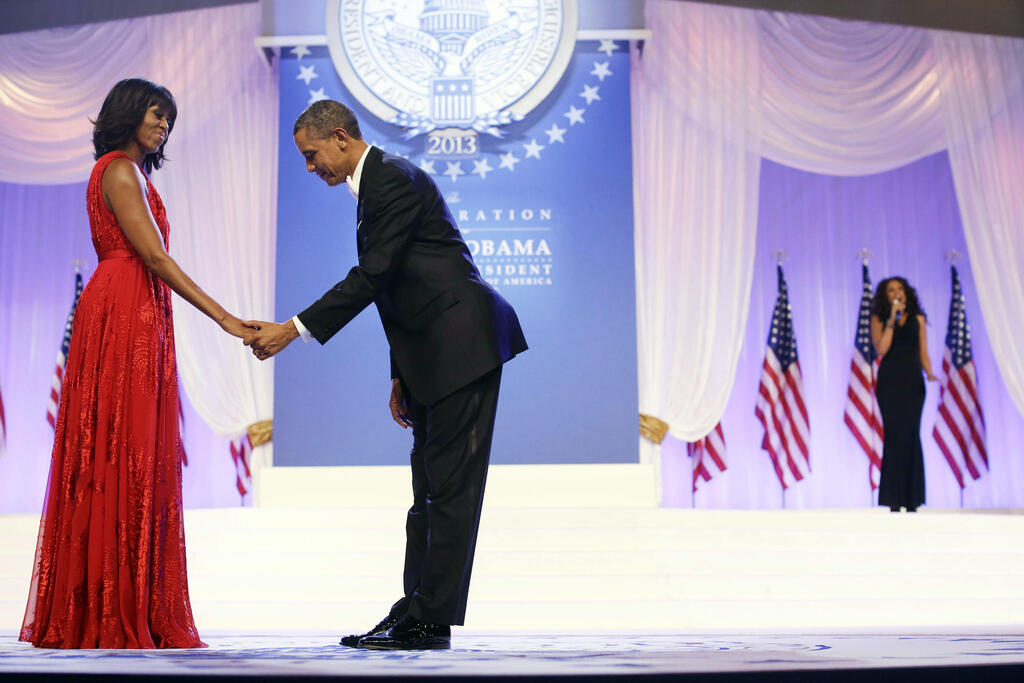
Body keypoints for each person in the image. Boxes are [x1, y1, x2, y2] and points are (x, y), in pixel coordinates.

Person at [243, 99, 527, 650]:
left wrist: (293, 328)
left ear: (342, 138)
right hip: (433, 354)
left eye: (311, 155)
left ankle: (429, 617)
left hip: (462, 347)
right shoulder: (374, 185)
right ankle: (417, 607)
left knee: (448, 492)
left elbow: (373, 276)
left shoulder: (390, 179)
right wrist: (400, 373)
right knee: (428, 492)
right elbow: (400, 287)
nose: (310, 168)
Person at [20, 78, 252, 649]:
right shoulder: (119, 170)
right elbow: (151, 254)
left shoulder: (133, 172)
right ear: (129, 114)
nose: (163, 126)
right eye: (156, 114)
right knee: (123, 448)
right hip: (123, 305)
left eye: (169, 120)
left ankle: (124, 600)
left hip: (137, 307)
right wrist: (223, 316)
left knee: (134, 450)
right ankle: (107, 606)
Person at [871, 276, 937, 513]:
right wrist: (891, 318)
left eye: (899, 289)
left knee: (911, 435)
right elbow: (881, 348)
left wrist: (929, 372)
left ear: (906, 293)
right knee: (894, 436)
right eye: (891, 290)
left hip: (912, 384)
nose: (896, 293)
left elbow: (923, 352)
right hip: (890, 384)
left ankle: (912, 498)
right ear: (885, 296)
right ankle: (893, 498)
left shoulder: (918, 320)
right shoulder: (879, 319)